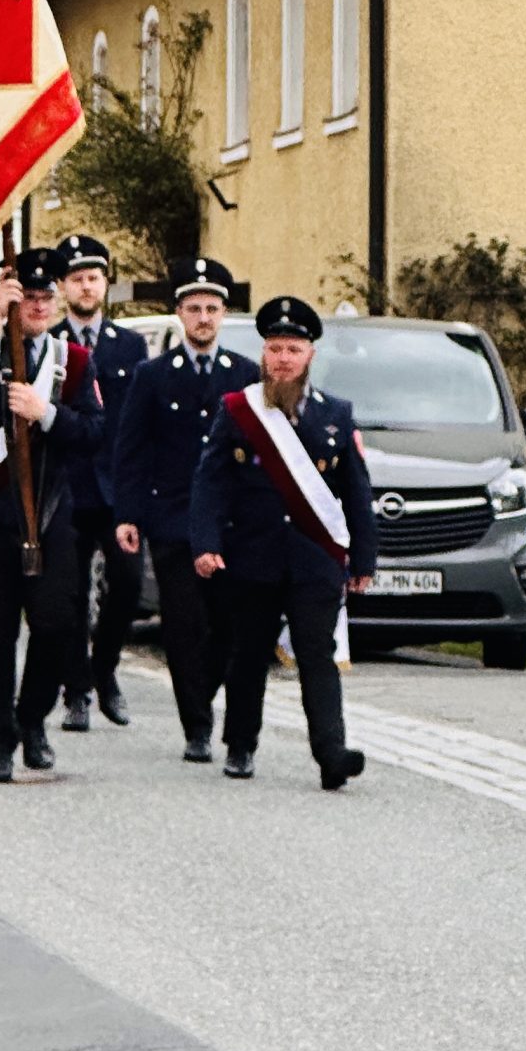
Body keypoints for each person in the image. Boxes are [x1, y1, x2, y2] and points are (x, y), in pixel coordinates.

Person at [190, 293, 376, 788]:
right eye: (275, 348)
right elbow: (211, 483)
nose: (284, 359)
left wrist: (363, 559)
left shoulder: (336, 414)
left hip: (314, 560)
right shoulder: (239, 411)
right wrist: (205, 542)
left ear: (310, 354)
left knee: (317, 656)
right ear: (264, 354)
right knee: (249, 655)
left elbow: (356, 492)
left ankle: (331, 754)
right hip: (252, 556)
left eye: (293, 349)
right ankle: (240, 745)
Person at [0, 248, 102, 781]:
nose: (37, 306)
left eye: (44, 297)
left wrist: (45, 412)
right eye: (26, 297)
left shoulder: (71, 359)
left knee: (56, 623)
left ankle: (32, 718)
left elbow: (94, 432)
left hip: (49, 510)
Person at [112, 256, 259, 763]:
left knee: (227, 625)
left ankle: (204, 690)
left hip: (229, 523)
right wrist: (128, 514)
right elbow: (132, 450)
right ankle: (196, 724)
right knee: (182, 624)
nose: (203, 318)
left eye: (212, 309)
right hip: (172, 517)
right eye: (194, 308)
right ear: (179, 313)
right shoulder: (152, 375)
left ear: (224, 314)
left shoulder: (245, 375)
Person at [51, 233, 149, 731]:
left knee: (127, 584)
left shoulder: (129, 345)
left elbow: (139, 420)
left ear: (105, 284)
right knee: (69, 594)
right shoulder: (49, 344)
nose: (86, 287)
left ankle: (104, 669)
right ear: (62, 287)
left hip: (118, 489)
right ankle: (76, 692)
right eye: (77, 279)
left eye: (93, 278)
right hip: (66, 487)